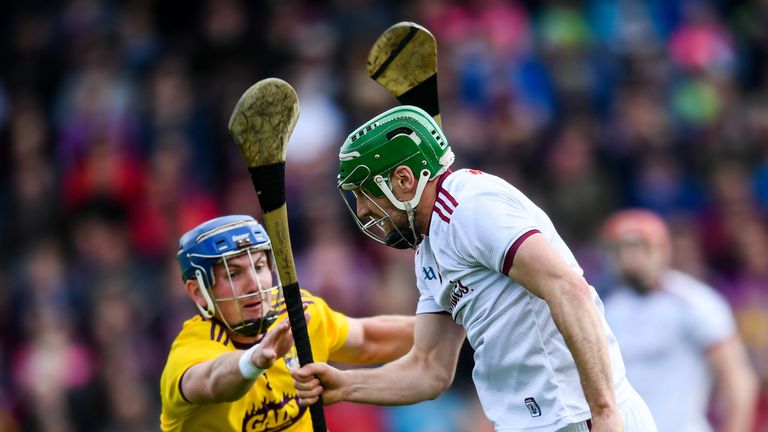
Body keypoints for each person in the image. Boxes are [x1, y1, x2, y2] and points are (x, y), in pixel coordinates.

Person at [292, 105, 656, 432]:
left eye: (365, 192)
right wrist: (344, 386)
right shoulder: (430, 246)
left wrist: (605, 413)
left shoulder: (470, 207)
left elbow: (569, 289)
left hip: (577, 418)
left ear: (404, 180)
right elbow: (428, 368)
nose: (363, 210)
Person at [160, 215, 415, 431]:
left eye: (259, 266)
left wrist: (448, 318)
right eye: (234, 274)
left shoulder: (296, 314)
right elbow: (212, 382)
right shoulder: (191, 348)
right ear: (197, 291)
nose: (255, 284)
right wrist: (254, 360)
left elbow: (371, 339)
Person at [600, 209, 758, 432]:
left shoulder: (694, 302)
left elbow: (738, 378)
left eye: (640, 247)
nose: (630, 258)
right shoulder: (609, 310)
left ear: (663, 249)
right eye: (620, 249)